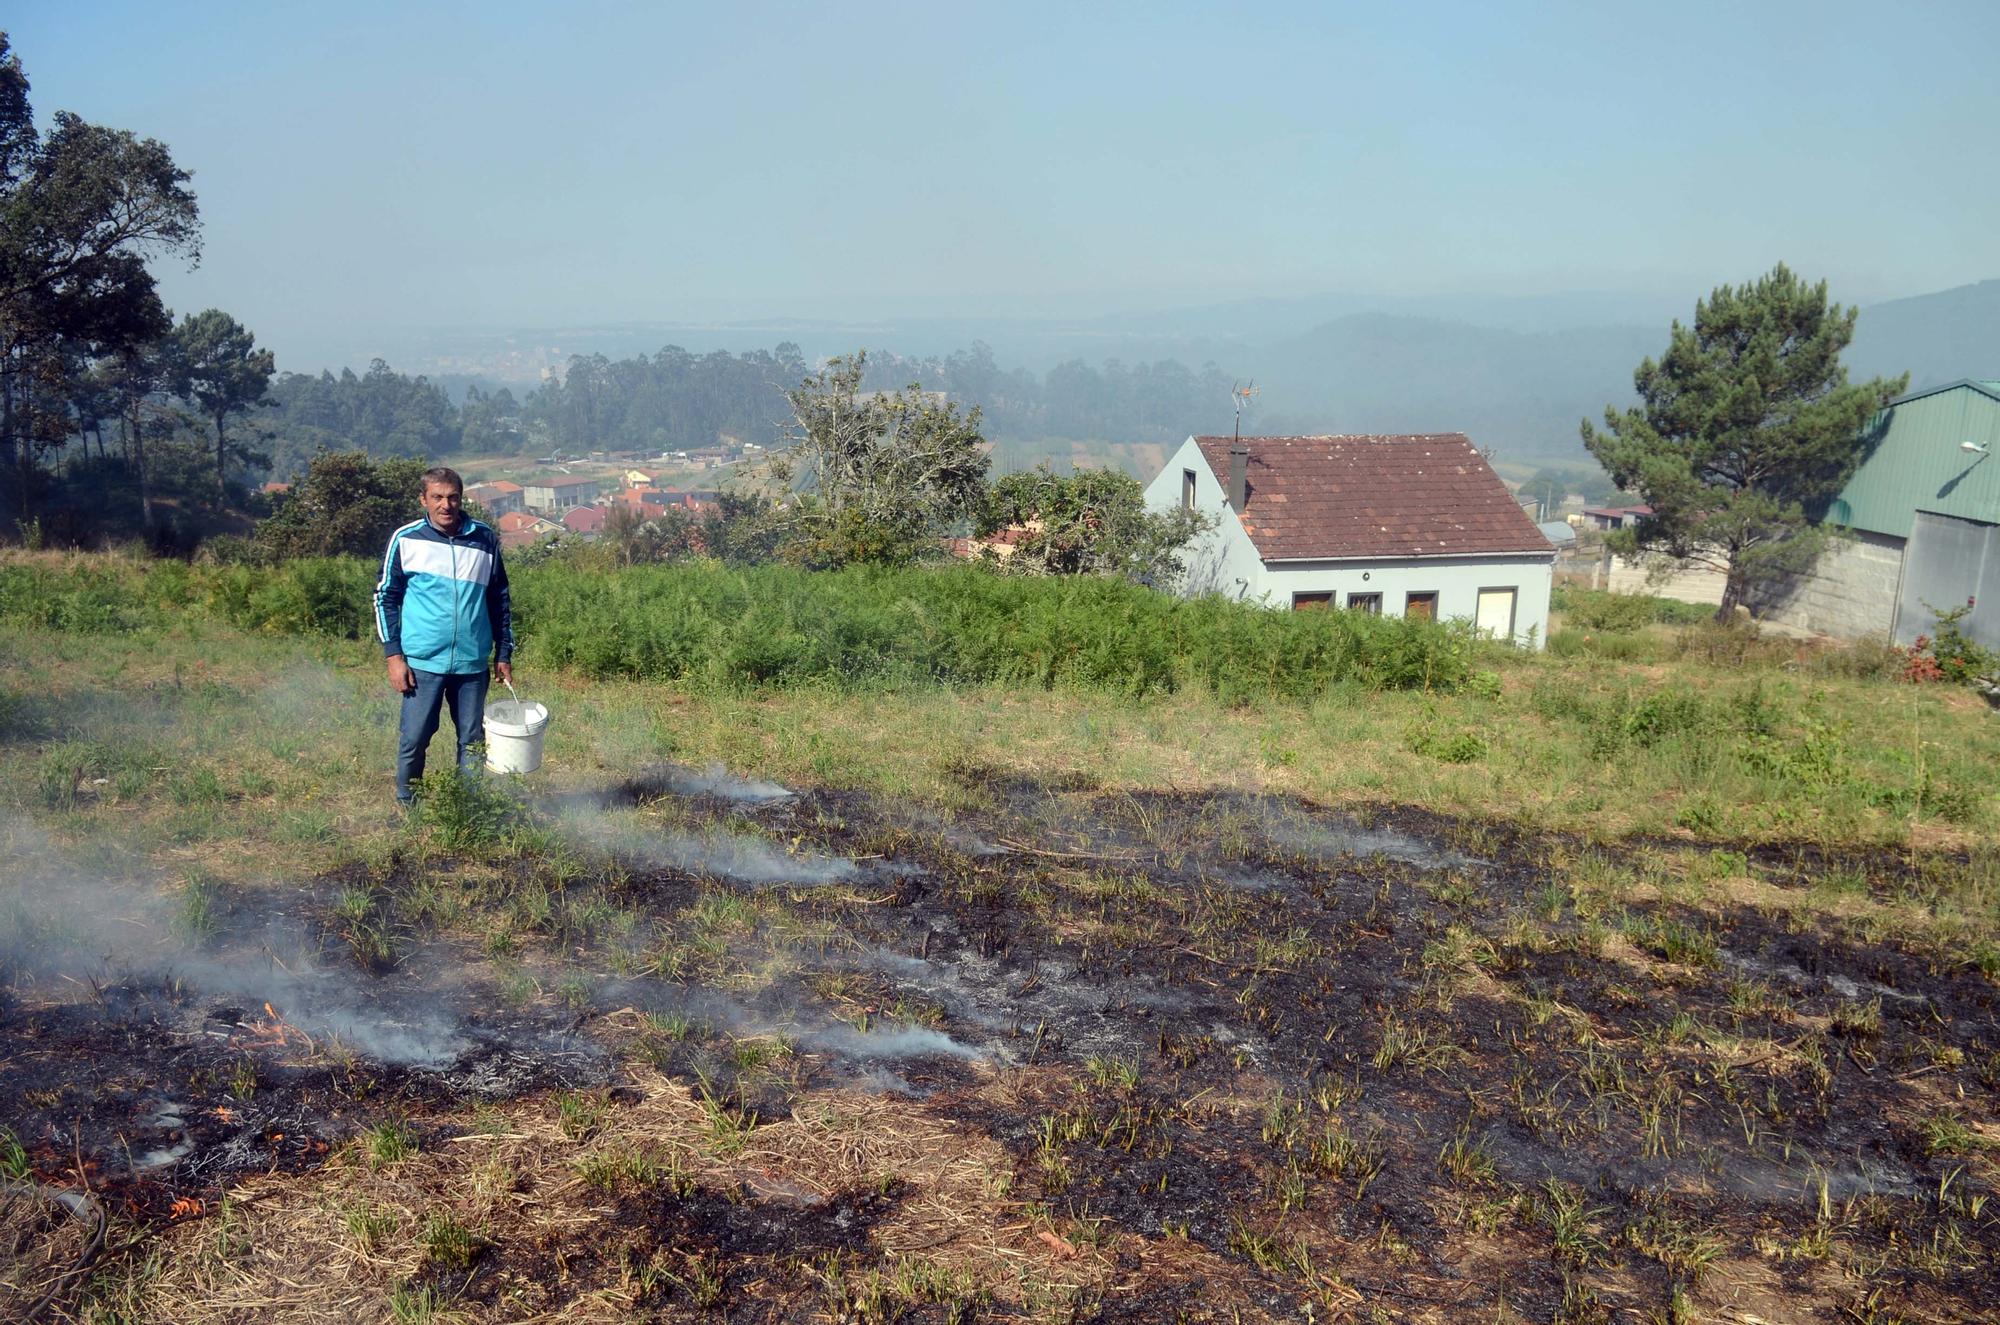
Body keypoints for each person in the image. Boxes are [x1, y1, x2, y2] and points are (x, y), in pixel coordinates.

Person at [373, 466, 515, 806]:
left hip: (471, 662)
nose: (446, 505)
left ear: (461, 499)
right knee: (415, 739)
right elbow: (385, 597)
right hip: (422, 662)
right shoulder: (406, 539)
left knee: (472, 740)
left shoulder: (484, 539)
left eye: (452, 497)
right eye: (437, 497)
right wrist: (394, 657)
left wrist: (504, 654)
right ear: (424, 499)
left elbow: (500, 599)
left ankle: (467, 808)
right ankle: (409, 805)